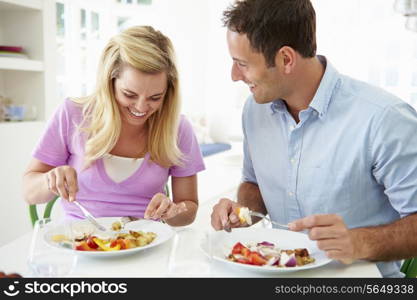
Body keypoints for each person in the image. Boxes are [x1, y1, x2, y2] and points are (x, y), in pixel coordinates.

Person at [210, 0, 417, 277]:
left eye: (242, 64)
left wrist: (359, 242)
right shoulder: (254, 111)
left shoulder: (384, 119)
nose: (234, 75)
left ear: (285, 59)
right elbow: (253, 183)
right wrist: (242, 211)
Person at [23, 26, 205, 226]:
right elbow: (29, 192)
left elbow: (189, 209)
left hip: (146, 244)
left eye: (155, 97)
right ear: (110, 81)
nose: (141, 107)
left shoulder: (178, 128)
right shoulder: (73, 114)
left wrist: (173, 211)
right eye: (129, 94)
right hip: (81, 244)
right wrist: (50, 180)